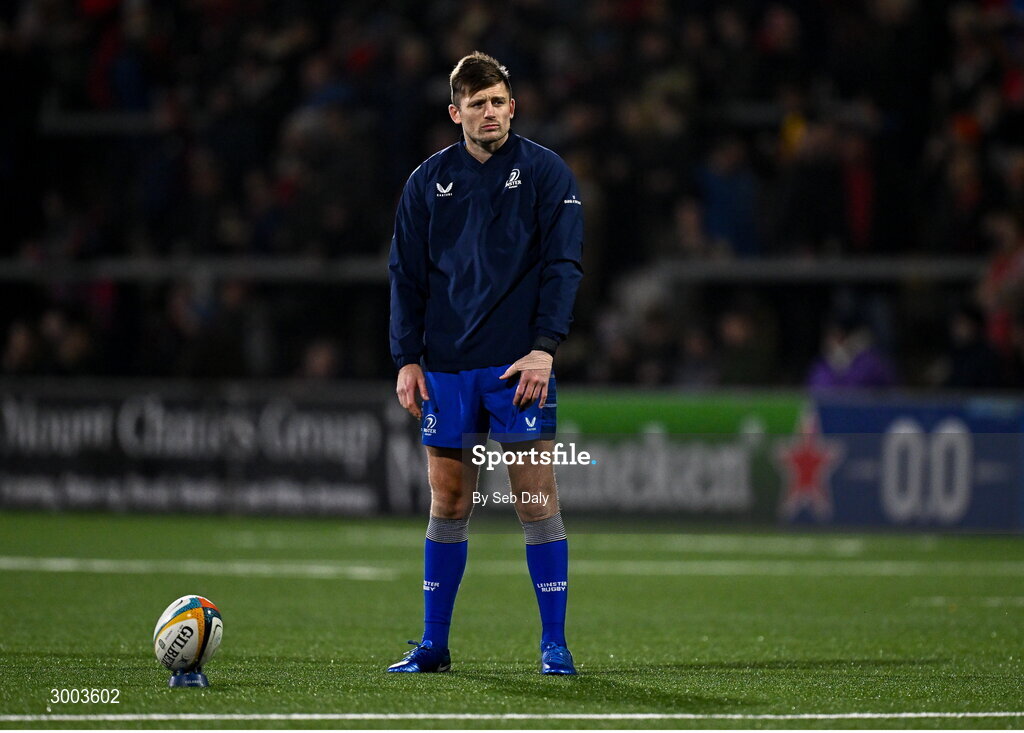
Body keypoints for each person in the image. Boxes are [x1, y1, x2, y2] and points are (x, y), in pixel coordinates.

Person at [387, 52, 584, 675]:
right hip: (445, 367)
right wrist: (406, 359)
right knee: (447, 501)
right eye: (478, 103)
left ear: (513, 106)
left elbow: (564, 266)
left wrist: (544, 349)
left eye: (499, 101)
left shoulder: (547, 172)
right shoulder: (426, 182)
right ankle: (434, 644)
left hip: (515, 366)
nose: (491, 112)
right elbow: (406, 275)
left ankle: (554, 642)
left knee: (535, 496)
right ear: (456, 113)